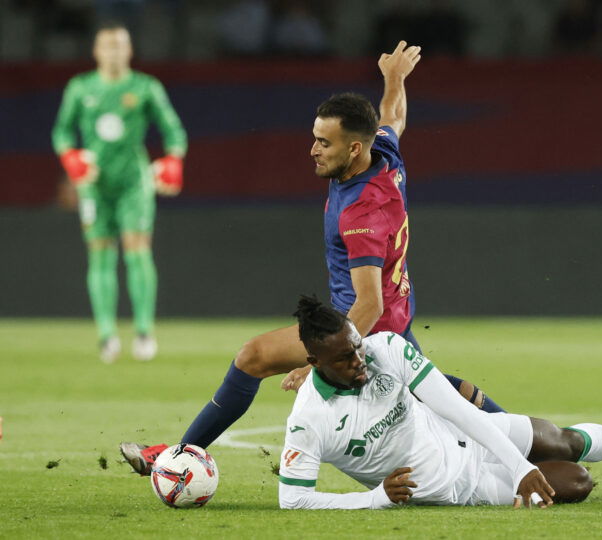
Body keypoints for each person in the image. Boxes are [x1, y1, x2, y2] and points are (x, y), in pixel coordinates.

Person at [120, 41, 502, 475]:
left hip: (368, 329)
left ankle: (177, 457)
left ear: (353, 149)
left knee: (254, 357)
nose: (313, 150)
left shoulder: (363, 212)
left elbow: (369, 303)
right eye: (314, 138)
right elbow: (392, 117)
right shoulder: (381, 152)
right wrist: (394, 79)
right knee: (436, 398)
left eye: (324, 142)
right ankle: (526, 440)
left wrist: (320, 364)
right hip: (389, 321)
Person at [278, 296, 602, 509]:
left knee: (559, 439)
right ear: (313, 362)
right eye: (345, 357)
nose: (359, 360)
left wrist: (519, 464)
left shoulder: (387, 348)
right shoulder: (309, 420)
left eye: (357, 347)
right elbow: (293, 502)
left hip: (456, 431)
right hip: (453, 486)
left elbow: (458, 409)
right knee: (577, 483)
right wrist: (374, 500)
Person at [52, 22, 187, 363]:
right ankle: (106, 336)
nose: (113, 51)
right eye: (107, 45)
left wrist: (173, 160)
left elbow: (173, 129)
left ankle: (143, 331)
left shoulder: (144, 87)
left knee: (137, 250)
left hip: (134, 182)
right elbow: (62, 132)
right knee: (99, 254)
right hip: (94, 183)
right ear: (96, 51)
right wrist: (71, 159)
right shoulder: (80, 88)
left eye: (120, 45)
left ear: (129, 50)